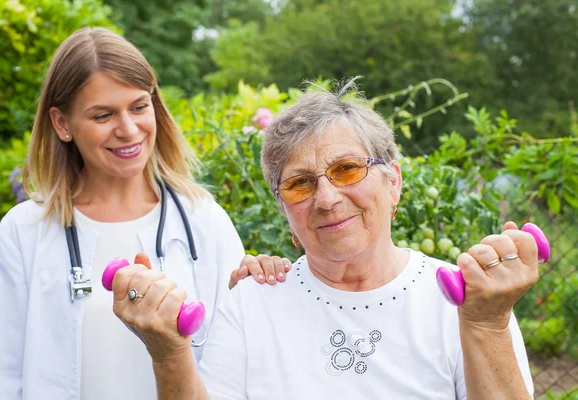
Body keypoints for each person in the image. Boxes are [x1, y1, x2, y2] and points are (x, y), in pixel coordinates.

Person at [111, 77, 539, 399]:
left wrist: (486, 325)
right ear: (284, 209)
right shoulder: (252, 302)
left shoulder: (465, 301)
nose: (327, 198)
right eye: (299, 184)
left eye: (347, 169)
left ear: (394, 182)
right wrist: (168, 353)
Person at [0, 27, 290, 399]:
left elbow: (240, 365)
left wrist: (267, 283)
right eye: (102, 115)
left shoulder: (203, 221)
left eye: (139, 107)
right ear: (62, 124)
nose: (128, 130)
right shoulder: (24, 231)